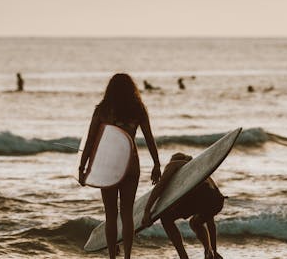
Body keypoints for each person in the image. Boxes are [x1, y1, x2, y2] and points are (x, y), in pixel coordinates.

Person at [79, 73, 161, 259]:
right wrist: (156, 163)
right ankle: (128, 257)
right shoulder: (138, 109)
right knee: (127, 213)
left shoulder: (103, 109)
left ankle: (112, 257)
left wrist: (82, 168)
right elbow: (149, 138)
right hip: (131, 164)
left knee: (110, 215)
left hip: (107, 165)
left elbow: (91, 139)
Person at [142, 152, 225, 259]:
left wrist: (147, 210)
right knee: (196, 222)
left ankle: (183, 257)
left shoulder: (175, 164)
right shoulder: (201, 171)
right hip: (217, 200)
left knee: (166, 217)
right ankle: (208, 251)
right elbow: (210, 222)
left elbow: (160, 186)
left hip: (201, 198)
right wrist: (214, 250)